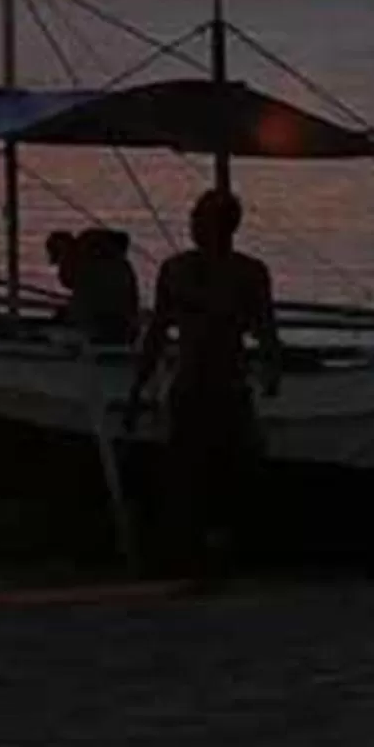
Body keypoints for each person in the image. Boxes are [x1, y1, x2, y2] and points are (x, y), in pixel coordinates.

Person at [125, 187, 282, 573]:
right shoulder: (176, 269)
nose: (193, 225)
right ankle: (188, 555)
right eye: (195, 217)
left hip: (229, 386)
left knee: (231, 473)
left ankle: (226, 552)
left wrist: (271, 371)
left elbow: (265, 329)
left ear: (224, 226)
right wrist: (137, 389)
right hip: (189, 386)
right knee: (186, 473)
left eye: (201, 219)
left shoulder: (248, 273)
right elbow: (158, 332)